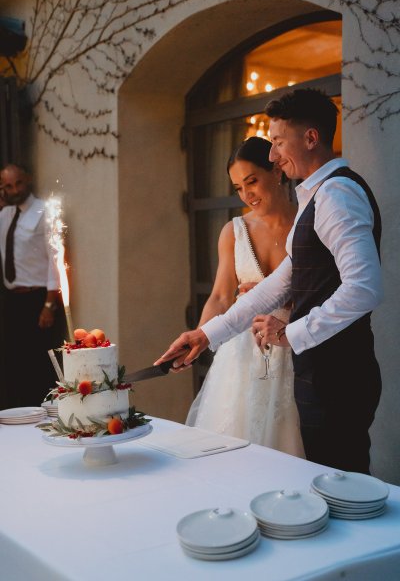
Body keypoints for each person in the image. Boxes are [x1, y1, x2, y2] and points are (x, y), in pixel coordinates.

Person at [155, 88, 382, 474]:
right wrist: (205, 335)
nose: (273, 154)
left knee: (341, 489)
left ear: (310, 138)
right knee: (316, 484)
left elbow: (364, 289)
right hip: (319, 375)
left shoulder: (338, 195)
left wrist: (289, 333)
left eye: (278, 142)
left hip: (338, 378)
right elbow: (280, 284)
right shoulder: (318, 197)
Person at [185, 137, 304, 457]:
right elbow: (222, 296)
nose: (246, 194)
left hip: (295, 349)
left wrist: (287, 305)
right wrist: (197, 338)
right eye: (238, 187)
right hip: (241, 356)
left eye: (251, 181)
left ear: (277, 172)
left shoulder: (307, 224)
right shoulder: (233, 231)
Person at [0, 163, 62, 408]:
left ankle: (43, 416)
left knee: (38, 366)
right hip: (12, 300)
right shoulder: (4, 214)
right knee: (14, 364)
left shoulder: (45, 211)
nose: (15, 189)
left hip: (37, 300)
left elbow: (56, 258)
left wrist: (49, 304)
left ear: (27, 179)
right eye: (7, 186)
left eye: (18, 183)